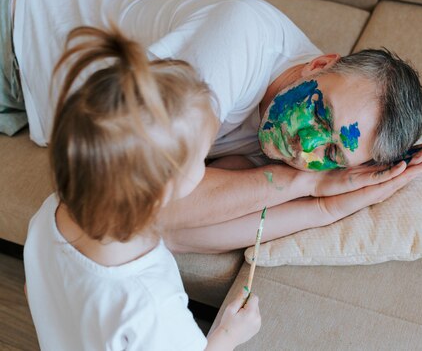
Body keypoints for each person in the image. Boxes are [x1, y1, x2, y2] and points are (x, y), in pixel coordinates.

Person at [4, 0, 422, 253]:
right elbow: (138, 200)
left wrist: (328, 205)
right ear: (320, 64)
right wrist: (302, 186)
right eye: (321, 113)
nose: (305, 143)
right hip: (16, 19)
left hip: (25, 95)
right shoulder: (239, 40)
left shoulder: (288, 148)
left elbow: (169, 233)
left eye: (333, 151)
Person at [23, 25, 261, 350]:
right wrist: (227, 335)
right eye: (202, 157)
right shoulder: (150, 305)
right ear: (161, 189)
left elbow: (34, 289)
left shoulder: (49, 214)